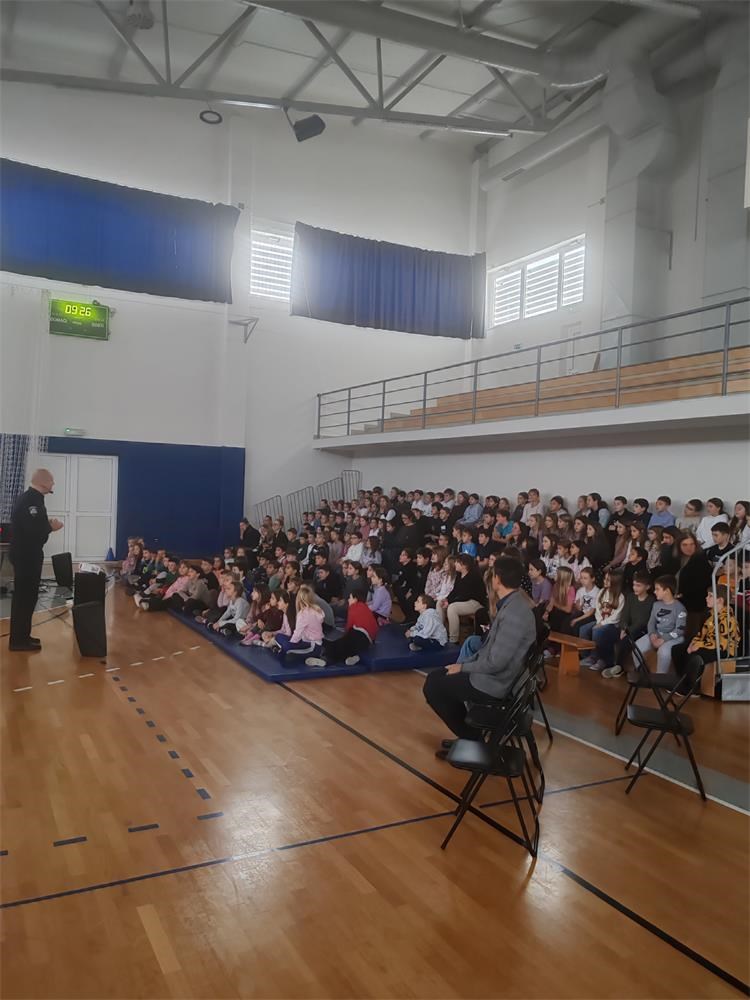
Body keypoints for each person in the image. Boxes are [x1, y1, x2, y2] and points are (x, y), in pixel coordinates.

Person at [423, 558, 536, 753]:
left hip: (496, 682)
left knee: (434, 687)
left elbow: (496, 662)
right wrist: (463, 664)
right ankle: (470, 737)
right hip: (490, 673)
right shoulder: (512, 604)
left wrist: (463, 667)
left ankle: (473, 739)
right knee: (435, 678)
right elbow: (487, 650)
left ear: (497, 579)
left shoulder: (515, 613)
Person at [8, 468, 64, 651]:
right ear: (43, 482)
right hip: (26, 556)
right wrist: (51, 527)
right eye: (51, 480)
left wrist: (46, 525)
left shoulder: (34, 498)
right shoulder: (30, 501)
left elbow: (34, 526)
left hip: (28, 554)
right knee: (24, 598)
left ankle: (23, 636)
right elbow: (32, 532)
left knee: (28, 597)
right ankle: (18, 641)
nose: (53, 483)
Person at [671, 590, 740, 693]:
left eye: (710, 596)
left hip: (724, 650)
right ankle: (683, 681)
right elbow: (701, 634)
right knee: (677, 649)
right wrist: (692, 644)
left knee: (696, 655)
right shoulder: (710, 615)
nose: (706, 598)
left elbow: (722, 644)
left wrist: (699, 645)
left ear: (720, 600)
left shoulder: (728, 619)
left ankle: (691, 688)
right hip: (709, 644)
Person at [306, 582, 378, 667]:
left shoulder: (353, 607)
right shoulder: (366, 608)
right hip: (367, 641)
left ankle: (326, 658)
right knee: (347, 646)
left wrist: (345, 635)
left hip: (359, 634)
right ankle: (351, 657)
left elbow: (349, 625)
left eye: (350, 598)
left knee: (340, 645)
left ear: (355, 599)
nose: (348, 600)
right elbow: (374, 627)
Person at [601, 571, 655, 678]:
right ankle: (607, 663)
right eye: (634, 585)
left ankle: (618, 667)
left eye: (638, 586)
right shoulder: (630, 597)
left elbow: (642, 621)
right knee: (605, 634)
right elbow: (625, 615)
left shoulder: (651, 600)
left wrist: (627, 631)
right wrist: (623, 628)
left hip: (641, 631)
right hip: (626, 628)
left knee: (624, 642)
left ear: (647, 587)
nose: (635, 588)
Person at [635, 575, 687, 673]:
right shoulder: (656, 605)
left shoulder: (680, 608)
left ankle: (660, 677)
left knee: (664, 652)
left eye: (657, 589)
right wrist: (652, 634)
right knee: (637, 646)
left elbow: (679, 630)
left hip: (674, 637)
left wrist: (663, 639)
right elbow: (651, 622)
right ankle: (641, 673)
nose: (654, 592)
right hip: (658, 633)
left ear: (666, 591)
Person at [439, 554, 487, 644]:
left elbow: (466, 595)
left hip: (475, 602)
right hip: (463, 600)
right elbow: (455, 591)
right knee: (440, 603)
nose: (455, 564)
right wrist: (447, 599)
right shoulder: (459, 575)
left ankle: (454, 639)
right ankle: (439, 631)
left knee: (452, 608)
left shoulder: (474, 576)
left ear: (464, 565)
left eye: (457, 562)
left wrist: (450, 602)